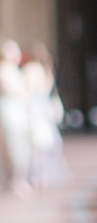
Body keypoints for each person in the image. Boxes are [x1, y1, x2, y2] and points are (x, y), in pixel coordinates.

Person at [22, 44, 64, 189]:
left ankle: (34, 177)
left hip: (35, 108)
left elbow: (27, 90)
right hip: (43, 107)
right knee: (46, 143)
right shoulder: (45, 71)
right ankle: (43, 177)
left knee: (34, 144)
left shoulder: (29, 69)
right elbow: (47, 89)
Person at [0, 39, 30, 194]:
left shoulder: (15, 70)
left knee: (20, 147)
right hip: (10, 114)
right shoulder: (4, 70)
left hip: (18, 113)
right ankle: (15, 180)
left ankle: (17, 179)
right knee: (14, 148)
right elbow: (14, 91)